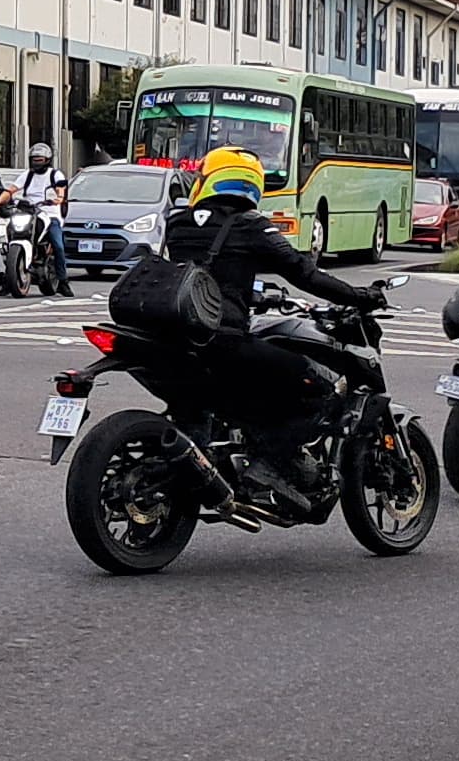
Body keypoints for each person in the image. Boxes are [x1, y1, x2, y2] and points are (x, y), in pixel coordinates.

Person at [157, 145, 376, 499]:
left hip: (173, 338)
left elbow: (203, 275)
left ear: (208, 180)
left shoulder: (177, 224)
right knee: (323, 388)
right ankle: (271, 463)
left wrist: (253, 293)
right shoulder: (250, 225)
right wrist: (359, 296)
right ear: (252, 184)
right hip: (221, 341)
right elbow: (304, 273)